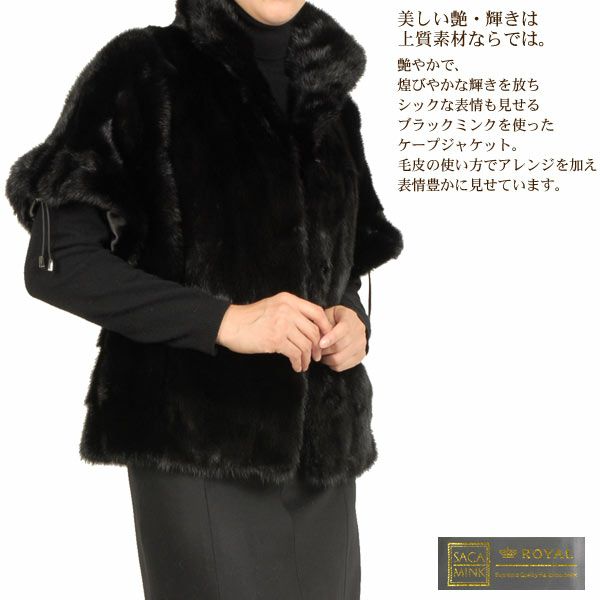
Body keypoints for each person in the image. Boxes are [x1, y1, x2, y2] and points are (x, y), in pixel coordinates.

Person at [5, 1, 403, 598]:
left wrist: (353, 320)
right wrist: (225, 321)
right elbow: (59, 265)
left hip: (322, 459)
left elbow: (347, 260)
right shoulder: (144, 70)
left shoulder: (331, 103)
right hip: (197, 446)